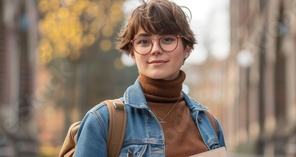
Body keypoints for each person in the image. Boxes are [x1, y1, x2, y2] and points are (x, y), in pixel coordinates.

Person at [73, 0, 226, 156]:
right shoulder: (102, 121)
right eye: (144, 41)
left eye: (167, 39)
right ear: (132, 52)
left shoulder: (209, 124)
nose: (155, 49)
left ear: (186, 48)